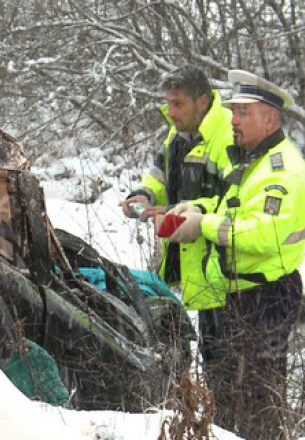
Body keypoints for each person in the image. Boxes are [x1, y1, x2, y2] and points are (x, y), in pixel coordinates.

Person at [166, 70, 305, 439]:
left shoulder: (281, 170)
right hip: (235, 294)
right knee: (227, 393)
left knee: (258, 398)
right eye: (232, 111)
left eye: (243, 113)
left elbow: (265, 234)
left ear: (270, 119)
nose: (232, 119)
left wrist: (203, 225)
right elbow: (230, 207)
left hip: (265, 296)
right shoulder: (251, 159)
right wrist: (195, 207)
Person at [120, 65, 233, 382]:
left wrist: (172, 211)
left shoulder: (226, 136)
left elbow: (231, 201)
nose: (170, 111)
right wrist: (142, 194)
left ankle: (228, 425)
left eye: (178, 104)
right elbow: (159, 174)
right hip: (191, 258)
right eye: (167, 103)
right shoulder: (178, 132)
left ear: (203, 101)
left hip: (222, 265)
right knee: (207, 351)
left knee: (224, 360)